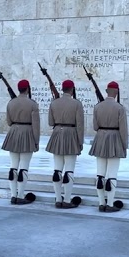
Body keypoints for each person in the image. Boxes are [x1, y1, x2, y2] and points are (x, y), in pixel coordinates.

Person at [88, 81, 128, 213]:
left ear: (106, 91)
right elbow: (123, 130)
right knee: (112, 174)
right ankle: (110, 204)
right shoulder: (119, 108)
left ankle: (101, 203)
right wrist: (124, 145)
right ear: (116, 92)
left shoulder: (97, 107)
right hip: (115, 138)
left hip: (100, 138)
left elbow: (95, 127)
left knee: (100, 174)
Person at [45, 79, 84, 209]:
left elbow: (51, 122)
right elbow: (80, 125)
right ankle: (67, 200)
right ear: (72, 89)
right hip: (71, 134)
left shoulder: (54, 103)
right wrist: (80, 141)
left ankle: (57, 199)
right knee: (69, 170)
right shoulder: (76, 104)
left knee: (57, 169)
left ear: (62, 89)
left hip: (57, 134)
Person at [1, 79, 40, 204]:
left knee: (13, 167)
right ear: (27, 89)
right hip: (27, 133)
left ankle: (13, 195)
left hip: (13, 132)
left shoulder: (11, 103)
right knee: (23, 167)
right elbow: (36, 125)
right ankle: (21, 196)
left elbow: (8, 121)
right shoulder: (32, 104)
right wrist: (36, 141)